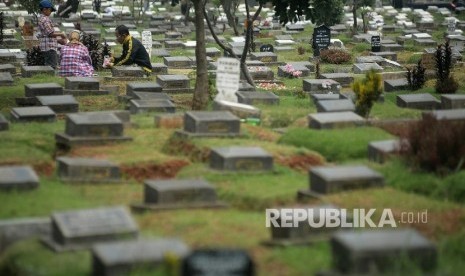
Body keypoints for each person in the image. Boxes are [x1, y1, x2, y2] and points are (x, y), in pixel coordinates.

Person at [38, 0, 66, 69]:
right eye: (50, 10)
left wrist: (58, 41)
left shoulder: (43, 18)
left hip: (47, 45)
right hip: (49, 47)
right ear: (44, 10)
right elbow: (50, 33)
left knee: (50, 65)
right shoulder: (45, 19)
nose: (50, 12)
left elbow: (48, 34)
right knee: (52, 66)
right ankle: (50, 77)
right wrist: (61, 34)